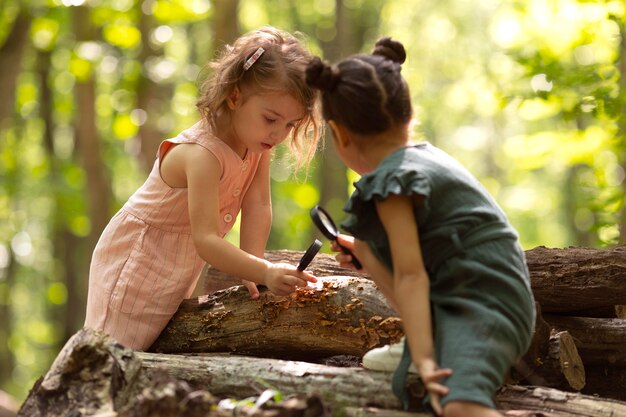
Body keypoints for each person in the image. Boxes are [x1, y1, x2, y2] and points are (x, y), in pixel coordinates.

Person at [305, 38, 535, 417]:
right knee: (370, 245)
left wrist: (427, 360)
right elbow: (412, 270)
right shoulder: (420, 162)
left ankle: (428, 352)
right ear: (407, 116)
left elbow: (412, 277)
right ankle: (423, 345)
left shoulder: (393, 182)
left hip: (480, 306)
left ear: (340, 133)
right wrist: (366, 254)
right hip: (482, 291)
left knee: (458, 405)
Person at [85, 26, 322, 351]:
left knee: (147, 357)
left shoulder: (256, 144)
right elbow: (207, 241)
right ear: (235, 96)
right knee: (108, 357)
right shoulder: (202, 155)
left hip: (175, 270)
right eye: (270, 119)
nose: (279, 135)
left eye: (290, 125)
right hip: (136, 265)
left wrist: (253, 268)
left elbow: (258, 205)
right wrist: (266, 271)